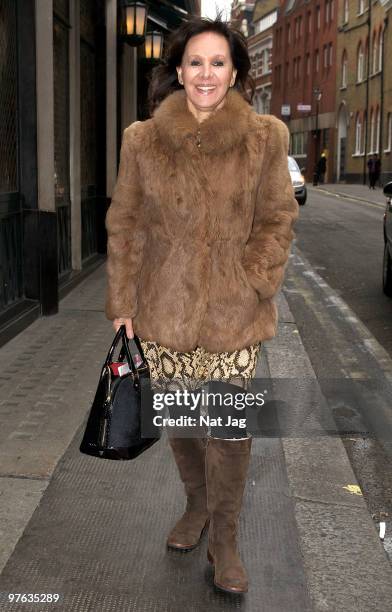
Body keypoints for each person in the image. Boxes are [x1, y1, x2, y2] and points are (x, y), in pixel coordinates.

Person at [104, 15, 298, 595]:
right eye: (195, 62)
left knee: (228, 429)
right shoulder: (142, 140)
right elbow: (126, 225)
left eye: (217, 62)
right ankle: (196, 506)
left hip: (233, 313)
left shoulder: (267, 137)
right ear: (179, 71)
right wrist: (123, 300)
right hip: (163, 307)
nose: (205, 73)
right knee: (184, 423)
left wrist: (253, 279)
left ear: (235, 71)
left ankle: (226, 540)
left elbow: (277, 218)